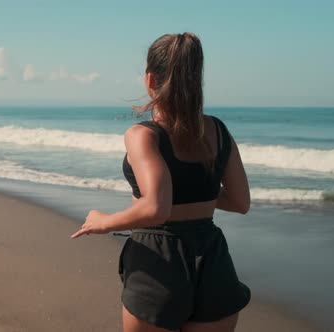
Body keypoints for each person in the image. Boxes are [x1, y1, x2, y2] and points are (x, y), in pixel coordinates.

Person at [71, 32, 251, 332]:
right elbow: (240, 202)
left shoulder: (143, 135)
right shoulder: (218, 130)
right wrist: (198, 191)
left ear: (151, 80)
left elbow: (157, 208)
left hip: (159, 260)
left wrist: (102, 222)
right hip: (212, 259)